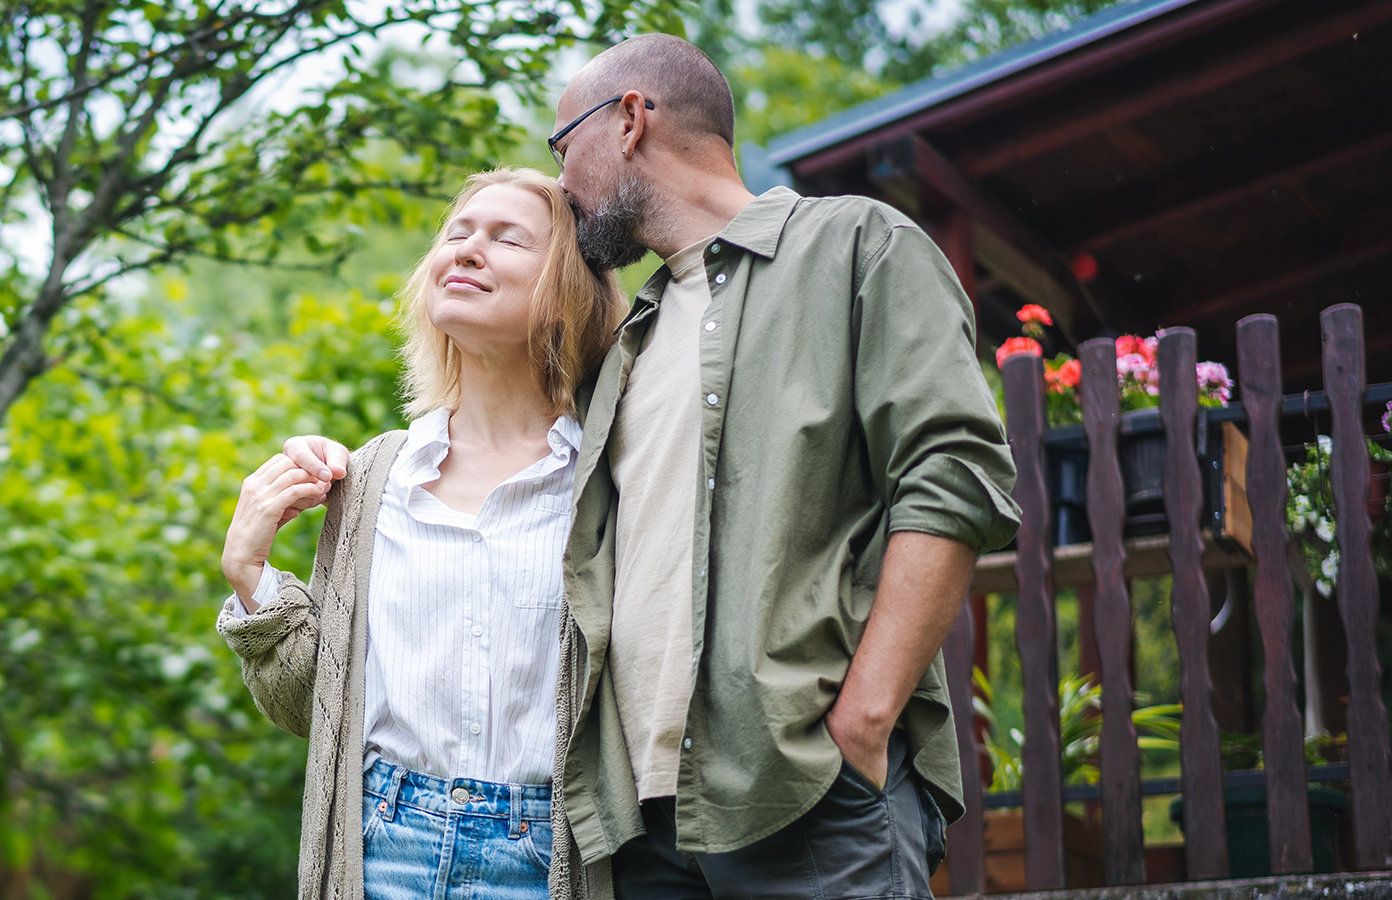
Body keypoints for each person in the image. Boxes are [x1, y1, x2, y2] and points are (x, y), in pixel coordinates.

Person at [284, 34, 1023, 900]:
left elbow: (956, 473)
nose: (562, 183)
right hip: (642, 830)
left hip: (807, 792)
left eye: (565, 147)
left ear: (630, 119)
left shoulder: (854, 247)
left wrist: (865, 717)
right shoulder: (635, 336)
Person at [216, 166, 624, 900]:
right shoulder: (373, 479)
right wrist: (253, 575)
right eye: (457, 233)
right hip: (380, 848)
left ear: (568, 293)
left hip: (546, 857)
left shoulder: (610, 476)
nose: (466, 251)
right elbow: (316, 715)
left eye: (507, 239)